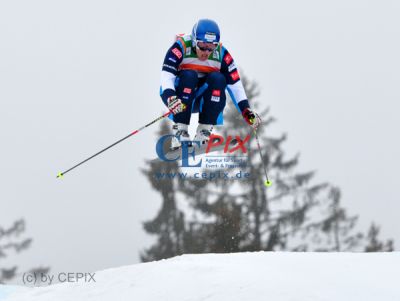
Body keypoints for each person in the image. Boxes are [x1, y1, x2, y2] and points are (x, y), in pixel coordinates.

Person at [160, 18, 261, 150]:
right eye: (202, 46)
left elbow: (235, 85)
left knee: (219, 79)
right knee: (189, 75)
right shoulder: (181, 47)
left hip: (202, 98)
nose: (206, 52)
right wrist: (170, 96)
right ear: (195, 40)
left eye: (212, 47)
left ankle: (204, 132)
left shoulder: (221, 55)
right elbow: (167, 75)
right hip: (179, 96)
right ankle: (180, 131)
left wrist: (246, 110)